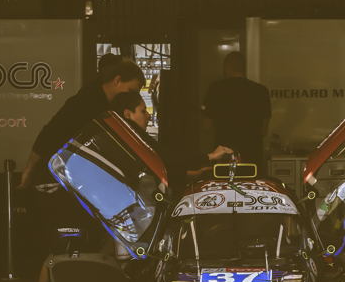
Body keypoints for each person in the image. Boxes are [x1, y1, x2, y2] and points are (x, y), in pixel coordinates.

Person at [19, 58, 146, 188]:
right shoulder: (86, 101)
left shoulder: (106, 105)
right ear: (117, 80)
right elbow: (51, 131)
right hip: (57, 177)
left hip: (73, 178)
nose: (132, 97)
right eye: (131, 91)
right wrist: (29, 169)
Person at [110, 91, 233, 194]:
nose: (148, 115)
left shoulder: (121, 135)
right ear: (128, 114)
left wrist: (190, 174)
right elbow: (166, 157)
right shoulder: (132, 134)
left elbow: (159, 166)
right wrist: (210, 156)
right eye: (143, 111)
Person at [201, 51, 271, 172]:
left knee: (223, 184)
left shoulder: (216, 88)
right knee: (252, 183)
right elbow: (263, 131)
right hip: (252, 157)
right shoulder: (261, 91)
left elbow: (206, 125)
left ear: (227, 67)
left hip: (224, 157)